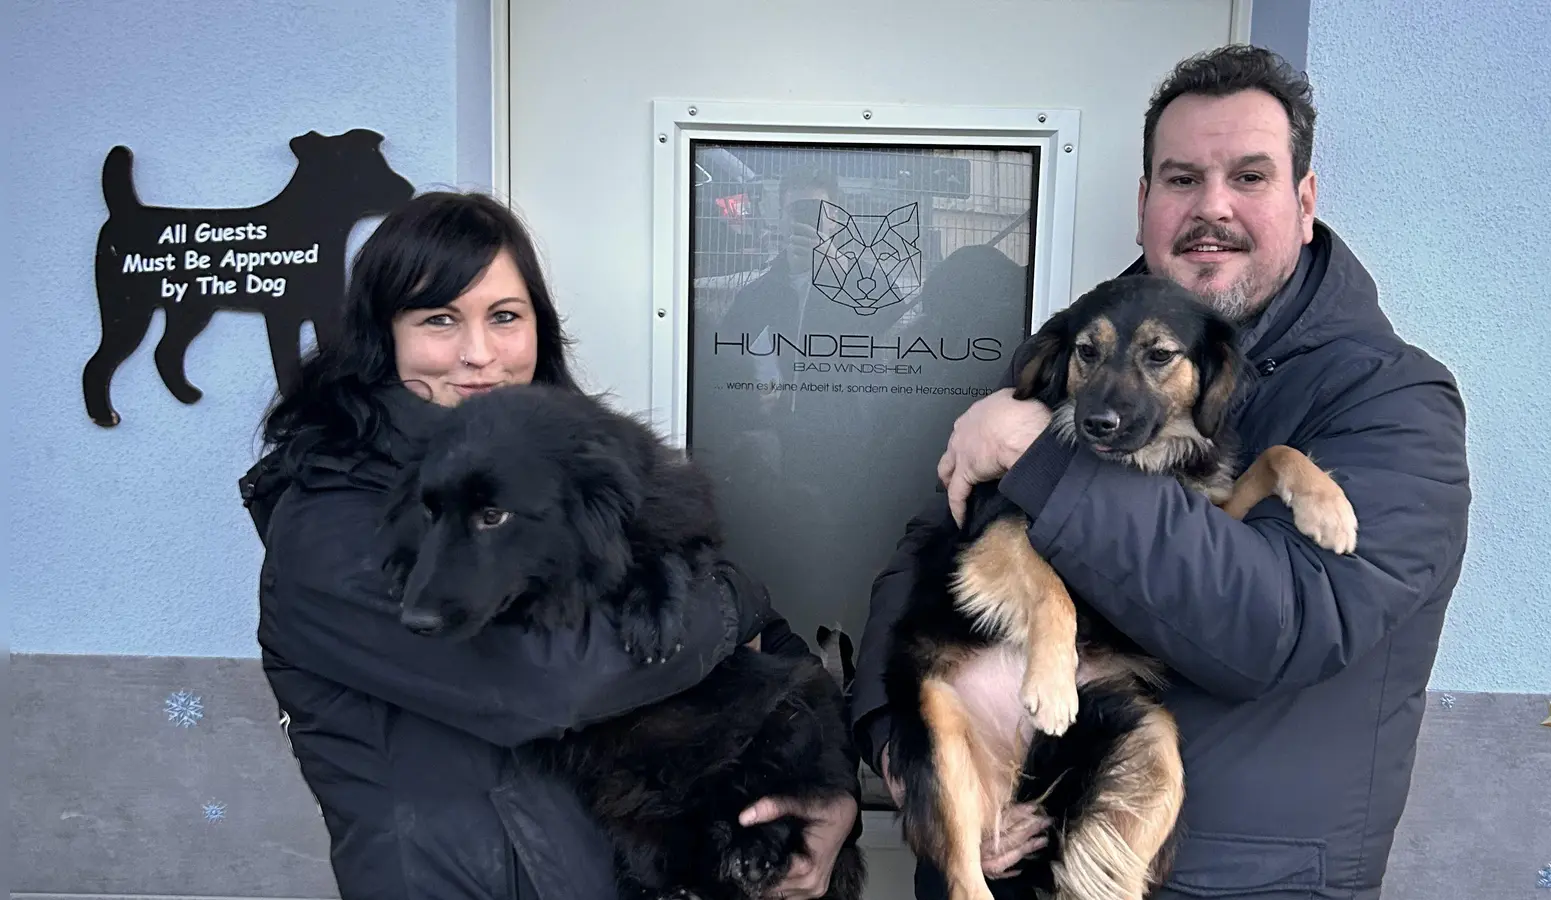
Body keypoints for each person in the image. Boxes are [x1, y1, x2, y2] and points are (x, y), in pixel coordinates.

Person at [850, 45, 1472, 900]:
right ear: (1144, 201)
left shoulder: (1393, 401)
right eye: (1181, 179)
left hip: (1224, 881)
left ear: (1304, 198)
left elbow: (1278, 627)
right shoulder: (1086, 345)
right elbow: (938, 539)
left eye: (1249, 176)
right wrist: (901, 745)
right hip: (1002, 859)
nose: (1210, 207)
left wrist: (1041, 458)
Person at [240, 190, 859, 900]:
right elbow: (553, 680)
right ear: (384, 337)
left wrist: (833, 802)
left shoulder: (558, 473)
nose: (479, 355)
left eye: (505, 317)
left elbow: (768, 644)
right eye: (439, 320)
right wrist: (730, 602)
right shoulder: (334, 527)